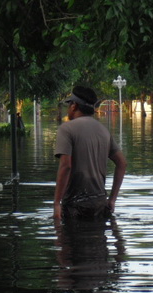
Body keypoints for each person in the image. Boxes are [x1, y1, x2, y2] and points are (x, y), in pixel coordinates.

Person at [54, 86, 127, 221]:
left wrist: (57, 203)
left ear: (74, 106)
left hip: (74, 206)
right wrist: (112, 200)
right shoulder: (103, 130)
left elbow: (66, 166)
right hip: (100, 204)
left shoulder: (66, 129)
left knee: (69, 240)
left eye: (69, 104)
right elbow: (122, 163)